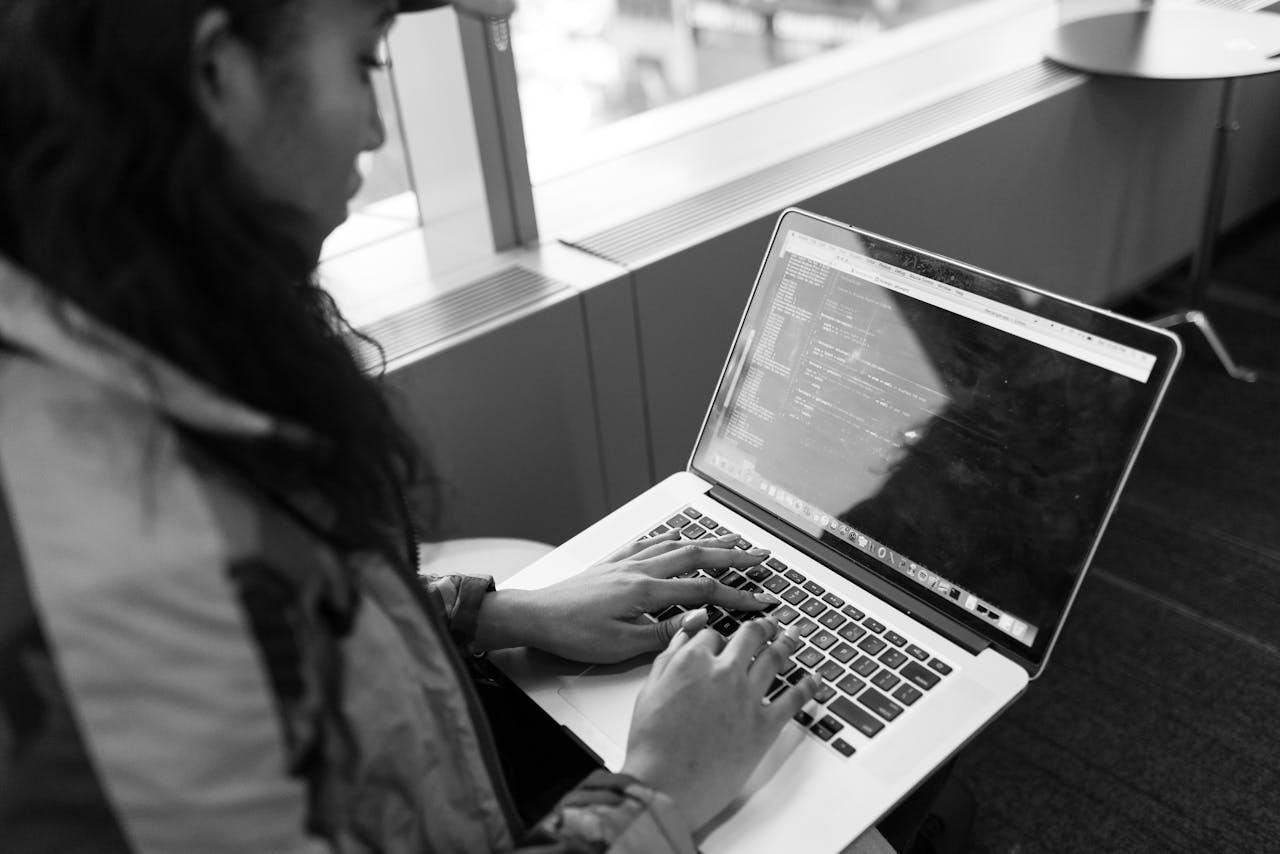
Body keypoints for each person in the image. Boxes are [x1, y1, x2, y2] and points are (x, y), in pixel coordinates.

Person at [0, 1, 903, 851]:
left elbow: (301, 630)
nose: (377, 131)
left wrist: (502, 611)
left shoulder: (132, 334)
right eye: (365, 61)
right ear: (217, 73)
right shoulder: (124, 577)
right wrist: (659, 791)